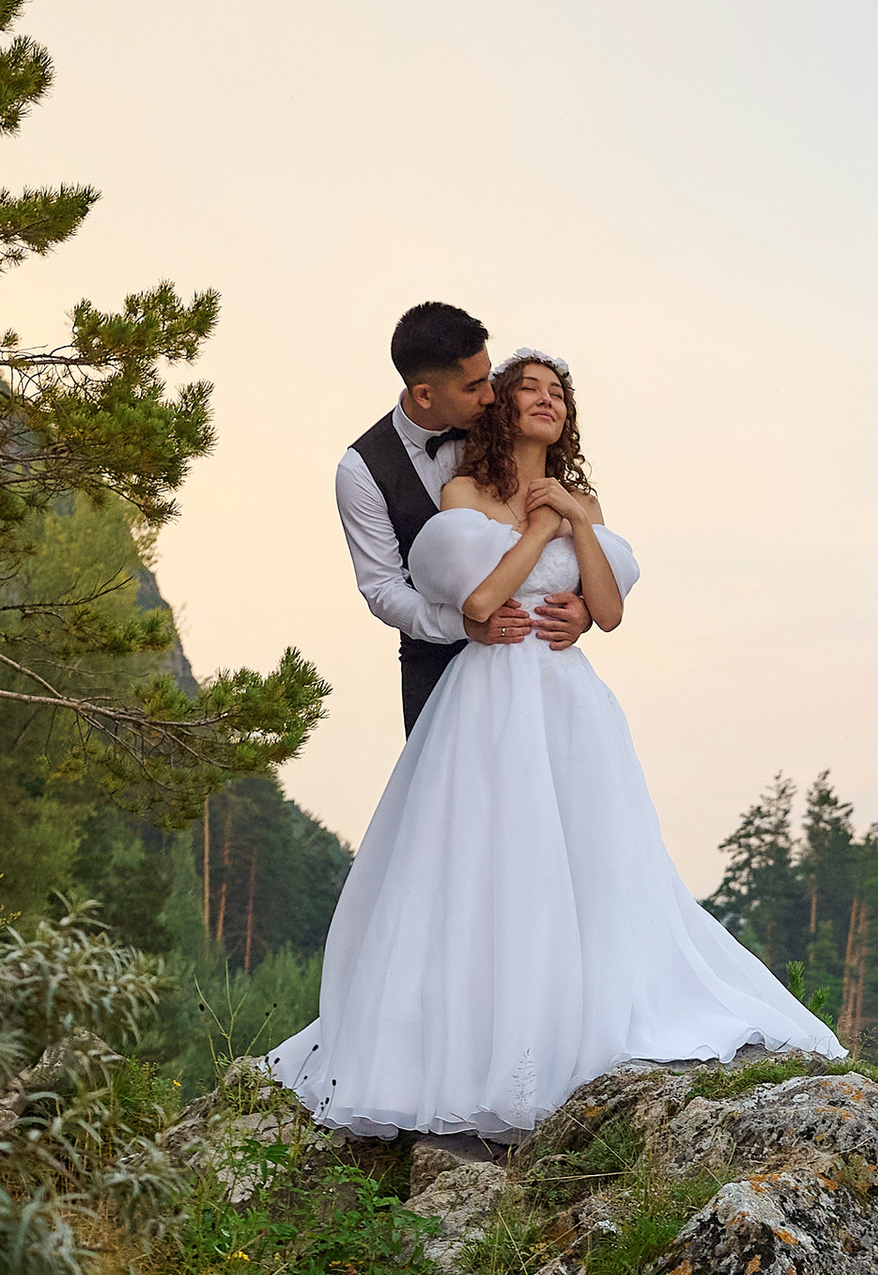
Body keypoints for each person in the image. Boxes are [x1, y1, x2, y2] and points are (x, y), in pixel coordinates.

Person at [272, 346, 844, 1140]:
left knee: (589, 860)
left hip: (568, 701)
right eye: (529, 389)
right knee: (493, 861)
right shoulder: (465, 491)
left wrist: (573, 518)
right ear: (501, 406)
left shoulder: (584, 499)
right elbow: (481, 600)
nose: (546, 400)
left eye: (558, 393)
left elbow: (606, 611)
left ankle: (585, 1018)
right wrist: (539, 530)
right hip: (490, 694)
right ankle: (476, 1040)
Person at [337, 301, 592, 734]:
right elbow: (383, 589)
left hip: (537, 663)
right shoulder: (361, 471)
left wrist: (582, 607)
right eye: (474, 387)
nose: (490, 396)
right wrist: (465, 625)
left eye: (488, 377)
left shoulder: (504, 419)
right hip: (435, 666)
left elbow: (562, 514)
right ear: (424, 394)